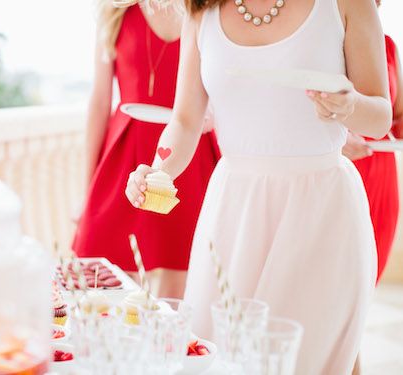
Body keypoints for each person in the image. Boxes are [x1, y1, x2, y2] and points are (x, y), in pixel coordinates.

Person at [125, 0, 392, 373]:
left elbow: (380, 116)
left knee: (303, 359)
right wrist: (157, 172)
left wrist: (350, 107)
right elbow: (185, 120)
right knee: (218, 356)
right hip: (233, 213)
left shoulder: (348, 4)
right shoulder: (200, 12)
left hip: (321, 213)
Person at [73, 1, 219, 298]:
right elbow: (100, 102)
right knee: (99, 284)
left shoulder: (206, 10)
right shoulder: (114, 13)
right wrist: (87, 189)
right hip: (125, 154)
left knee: (180, 287)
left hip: (189, 153)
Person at [343, 0, 402, 284]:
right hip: (342, 164)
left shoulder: (389, 46)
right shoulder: (331, 42)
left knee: (372, 269)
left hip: (381, 172)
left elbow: (397, 115)